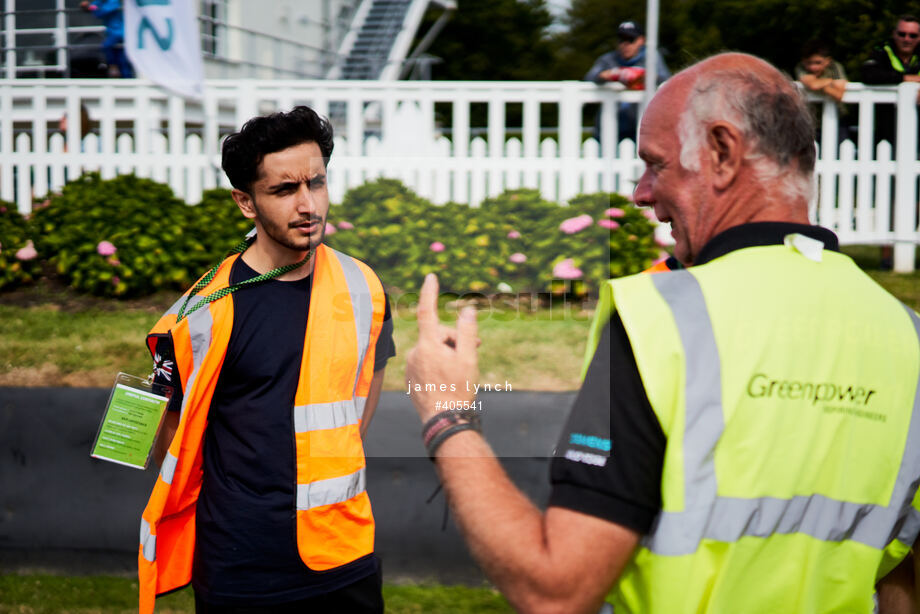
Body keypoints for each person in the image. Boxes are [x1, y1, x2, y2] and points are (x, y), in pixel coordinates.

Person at [406, 53, 920, 613]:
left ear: (722, 153)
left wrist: (447, 415)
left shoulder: (661, 319)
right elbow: (904, 580)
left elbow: (555, 590)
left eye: (656, 164)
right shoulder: (907, 336)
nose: (641, 193)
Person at [137, 106, 394, 614]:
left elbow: (364, 394)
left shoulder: (364, 287)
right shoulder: (202, 315)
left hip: (344, 548)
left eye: (316, 183)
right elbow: (169, 435)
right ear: (246, 202)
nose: (308, 204)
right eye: (284, 190)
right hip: (243, 561)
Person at [584, 20, 671, 142]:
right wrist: (608, 75)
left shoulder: (652, 58)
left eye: (630, 40)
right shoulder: (608, 59)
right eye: (621, 40)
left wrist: (643, 76)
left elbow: (666, 79)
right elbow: (589, 77)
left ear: (641, 40)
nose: (625, 44)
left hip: (641, 126)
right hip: (610, 125)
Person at [80, 0, 134, 78]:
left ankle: (114, 67)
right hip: (112, 33)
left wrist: (92, 8)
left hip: (120, 32)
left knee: (107, 47)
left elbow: (101, 12)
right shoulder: (100, 2)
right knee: (120, 56)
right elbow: (93, 7)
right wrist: (86, 6)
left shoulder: (113, 1)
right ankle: (120, 75)